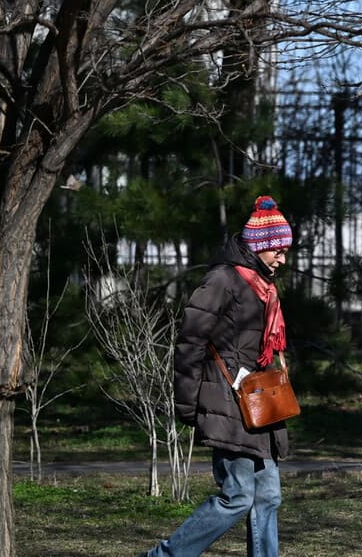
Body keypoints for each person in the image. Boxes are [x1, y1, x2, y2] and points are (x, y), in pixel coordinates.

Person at [140, 195, 294, 557]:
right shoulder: (223, 279)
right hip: (227, 403)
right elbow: (190, 342)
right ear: (259, 246)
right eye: (278, 250)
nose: (283, 259)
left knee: (268, 496)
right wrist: (188, 401)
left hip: (258, 405)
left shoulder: (263, 285)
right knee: (238, 496)